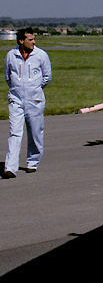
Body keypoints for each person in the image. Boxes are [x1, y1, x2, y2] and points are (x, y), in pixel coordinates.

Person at [4, 28, 51, 178]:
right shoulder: (11, 55)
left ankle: (33, 162)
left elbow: (47, 77)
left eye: (34, 39)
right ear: (21, 41)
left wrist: (34, 88)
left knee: (35, 132)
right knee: (15, 133)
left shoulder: (41, 55)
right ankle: (10, 167)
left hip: (35, 100)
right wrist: (18, 89)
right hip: (16, 99)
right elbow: (7, 77)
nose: (33, 42)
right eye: (30, 39)